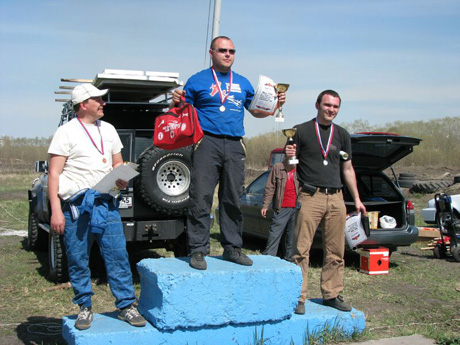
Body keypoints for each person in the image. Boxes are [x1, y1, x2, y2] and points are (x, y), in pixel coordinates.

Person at [171, 36, 286, 270]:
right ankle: (198, 250)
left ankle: (232, 247)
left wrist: (275, 103)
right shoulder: (198, 80)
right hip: (206, 142)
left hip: (235, 144)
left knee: (232, 197)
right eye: (222, 50)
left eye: (231, 51)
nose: (227, 54)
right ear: (211, 52)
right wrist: (175, 101)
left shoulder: (243, 82)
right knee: (201, 197)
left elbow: (257, 111)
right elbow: (181, 109)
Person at [48, 84, 146, 330]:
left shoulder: (110, 129)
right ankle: (84, 307)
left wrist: (121, 179)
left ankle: (126, 306)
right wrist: (56, 210)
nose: (103, 103)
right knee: (78, 257)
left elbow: (117, 164)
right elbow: (54, 174)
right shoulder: (65, 132)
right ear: (83, 104)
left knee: (117, 255)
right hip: (77, 207)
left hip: (106, 204)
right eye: (98, 100)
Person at [284, 90, 366, 315]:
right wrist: (289, 154)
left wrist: (357, 199)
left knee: (336, 251)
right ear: (317, 105)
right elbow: (290, 166)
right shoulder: (299, 131)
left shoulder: (342, 134)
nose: (331, 110)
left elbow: (347, 169)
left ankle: (331, 295)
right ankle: (298, 297)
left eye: (335, 107)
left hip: (337, 198)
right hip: (311, 196)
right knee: (301, 250)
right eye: (327, 105)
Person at [261, 159, 300, 261]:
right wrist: (265, 205)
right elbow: (270, 187)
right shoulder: (278, 167)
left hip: (297, 208)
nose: (291, 152)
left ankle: (289, 262)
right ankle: (269, 260)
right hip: (281, 208)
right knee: (274, 235)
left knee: (292, 238)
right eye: (288, 149)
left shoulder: (301, 167)